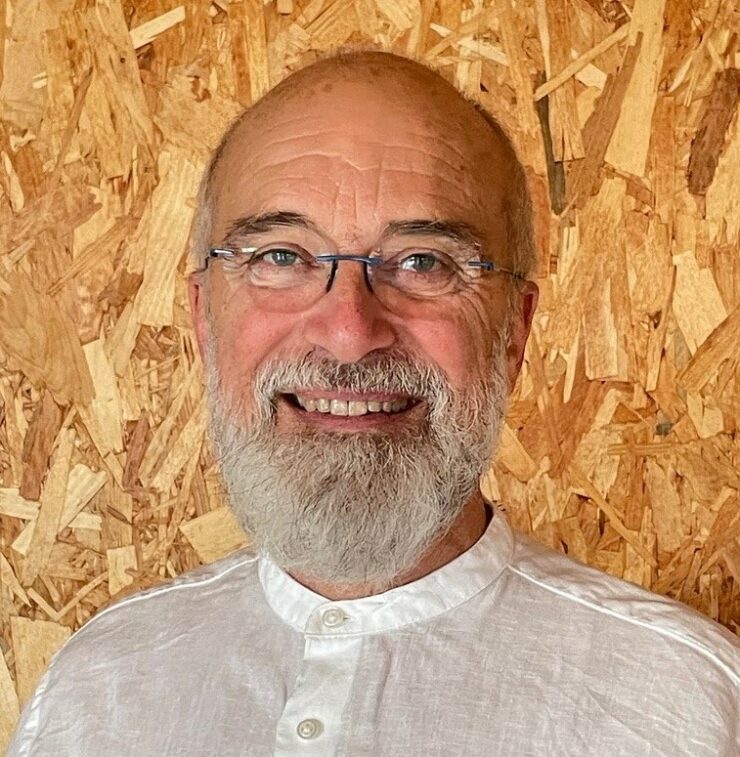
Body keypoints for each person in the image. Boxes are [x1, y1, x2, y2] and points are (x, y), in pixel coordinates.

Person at [8, 50, 739, 757]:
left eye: (423, 263)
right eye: (281, 257)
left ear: (513, 333)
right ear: (205, 319)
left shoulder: (691, 706)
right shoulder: (97, 689)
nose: (350, 333)